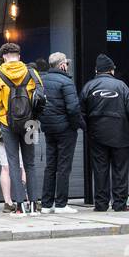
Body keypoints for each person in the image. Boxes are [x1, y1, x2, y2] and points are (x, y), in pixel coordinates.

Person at [80, 54, 129, 212]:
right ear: (111, 70)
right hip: (120, 134)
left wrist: (88, 129)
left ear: (96, 70)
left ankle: (101, 204)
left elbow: (80, 113)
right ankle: (119, 204)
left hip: (96, 136)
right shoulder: (121, 86)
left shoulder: (88, 87)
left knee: (100, 170)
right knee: (120, 170)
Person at [0, 42, 46, 214]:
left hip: (8, 124)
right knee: (30, 163)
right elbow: (41, 97)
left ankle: (19, 205)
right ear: (19, 56)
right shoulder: (32, 72)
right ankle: (34, 203)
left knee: (13, 163)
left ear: (4, 57)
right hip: (30, 124)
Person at [40, 52, 81, 213]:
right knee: (64, 166)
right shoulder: (66, 82)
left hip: (49, 128)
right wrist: (76, 125)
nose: (68, 67)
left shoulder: (42, 81)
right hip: (65, 129)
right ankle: (61, 204)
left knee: (50, 166)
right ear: (62, 65)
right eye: (67, 64)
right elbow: (73, 108)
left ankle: (46, 204)